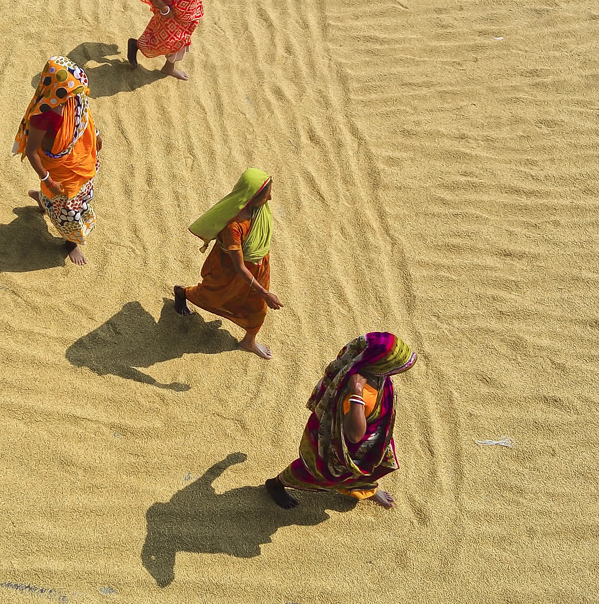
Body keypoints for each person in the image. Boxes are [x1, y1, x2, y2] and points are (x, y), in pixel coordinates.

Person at [264, 332, 417, 509]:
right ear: (379, 365)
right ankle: (276, 484)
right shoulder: (355, 392)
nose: (399, 370)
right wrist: (357, 394)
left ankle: (366, 489)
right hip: (341, 448)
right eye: (397, 366)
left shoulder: (376, 373)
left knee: (369, 470)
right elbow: (354, 435)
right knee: (318, 471)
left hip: (372, 439)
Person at [173, 169, 282, 359]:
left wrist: (262, 293)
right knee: (211, 295)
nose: (270, 198)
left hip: (259, 266)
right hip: (230, 271)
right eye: (266, 195)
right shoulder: (234, 226)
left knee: (258, 307)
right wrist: (265, 293)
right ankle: (182, 292)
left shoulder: (258, 208)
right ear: (251, 197)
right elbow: (239, 266)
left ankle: (249, 341)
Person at [13, 56, 102, 265]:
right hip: (57, 171)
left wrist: (96, 135)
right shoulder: (43, 116)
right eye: (75, 90)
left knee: (82, 196)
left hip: (79, 161)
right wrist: (48, 181)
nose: (79, 94)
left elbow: (85, 116)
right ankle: (70, 243)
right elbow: (32, 150)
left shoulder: (74, 97)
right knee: (68, 211)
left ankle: (42, 200)